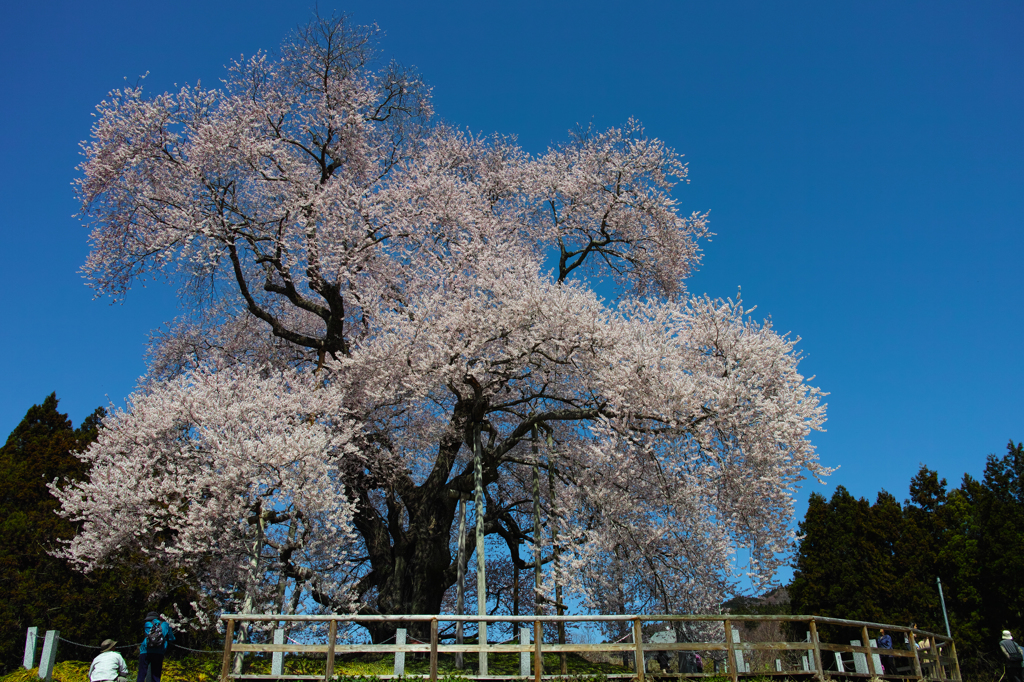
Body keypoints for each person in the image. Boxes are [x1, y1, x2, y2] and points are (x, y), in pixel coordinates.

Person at [138, 611, 175, 682]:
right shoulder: (165, 624)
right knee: (156, 675)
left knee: (141, 674)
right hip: (159, 652)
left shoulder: (147, 624)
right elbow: (171, 638)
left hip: (145, 650)